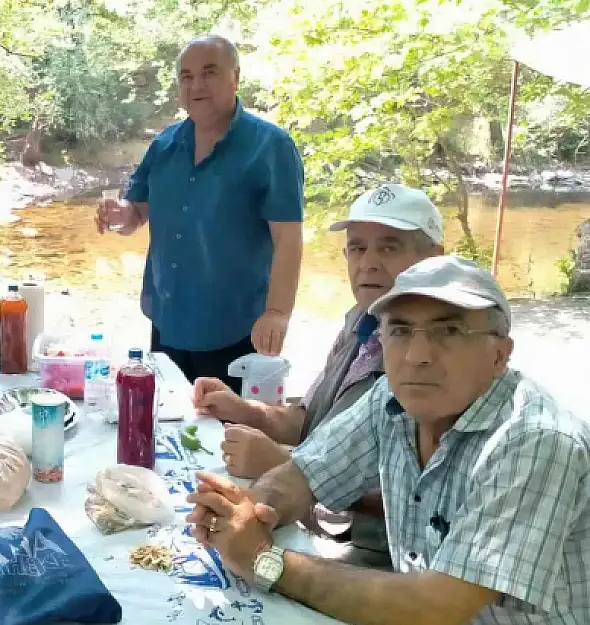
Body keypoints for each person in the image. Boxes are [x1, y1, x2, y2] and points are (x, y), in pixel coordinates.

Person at [187, 256, 590, 625]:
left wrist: (264, 560)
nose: (417, 355)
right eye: (400, 330)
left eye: (448, 330)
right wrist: (247, 512)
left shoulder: (535, 442)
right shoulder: (392, 398)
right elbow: (303, 473)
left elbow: (435, 606)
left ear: (500, 355)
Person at [193, 183, 444, 568]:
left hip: (376, 554)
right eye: (357, 247)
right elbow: (312, 419)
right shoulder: (362, 320)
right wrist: (248, 411)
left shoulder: (439, 360)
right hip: (310, 519)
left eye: (389, 247)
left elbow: (428, 496)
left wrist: (283, 464)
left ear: (434, 260)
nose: (369, 263)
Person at [95, 35, 304, 388]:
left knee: (225, 434)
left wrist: (277, 313)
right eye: (186, 76)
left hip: (236, 327)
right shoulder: (165, 144)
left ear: (235, 77)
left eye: (209, 73)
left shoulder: (271, 147)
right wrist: (121, 213)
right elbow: (136, 214)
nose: (196, 85)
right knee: (173, 424)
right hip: (168, 318)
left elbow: (289, 239)